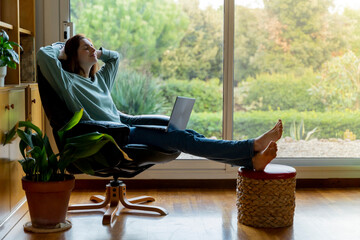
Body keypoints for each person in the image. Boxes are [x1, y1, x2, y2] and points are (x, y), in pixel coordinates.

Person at [37, 34, 282, 171]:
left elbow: (116, 58)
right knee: (181, 138)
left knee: (186, 135)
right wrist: (65, 49)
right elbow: (42, 54)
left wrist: (97, 52)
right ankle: (251, 147)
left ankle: (250, 158)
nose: (92, 49)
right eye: (85, 47)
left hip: (126, 129)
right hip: (112, 137)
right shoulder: (67, 82)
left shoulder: (99, 81)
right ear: (71, 55)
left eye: (93, 45)